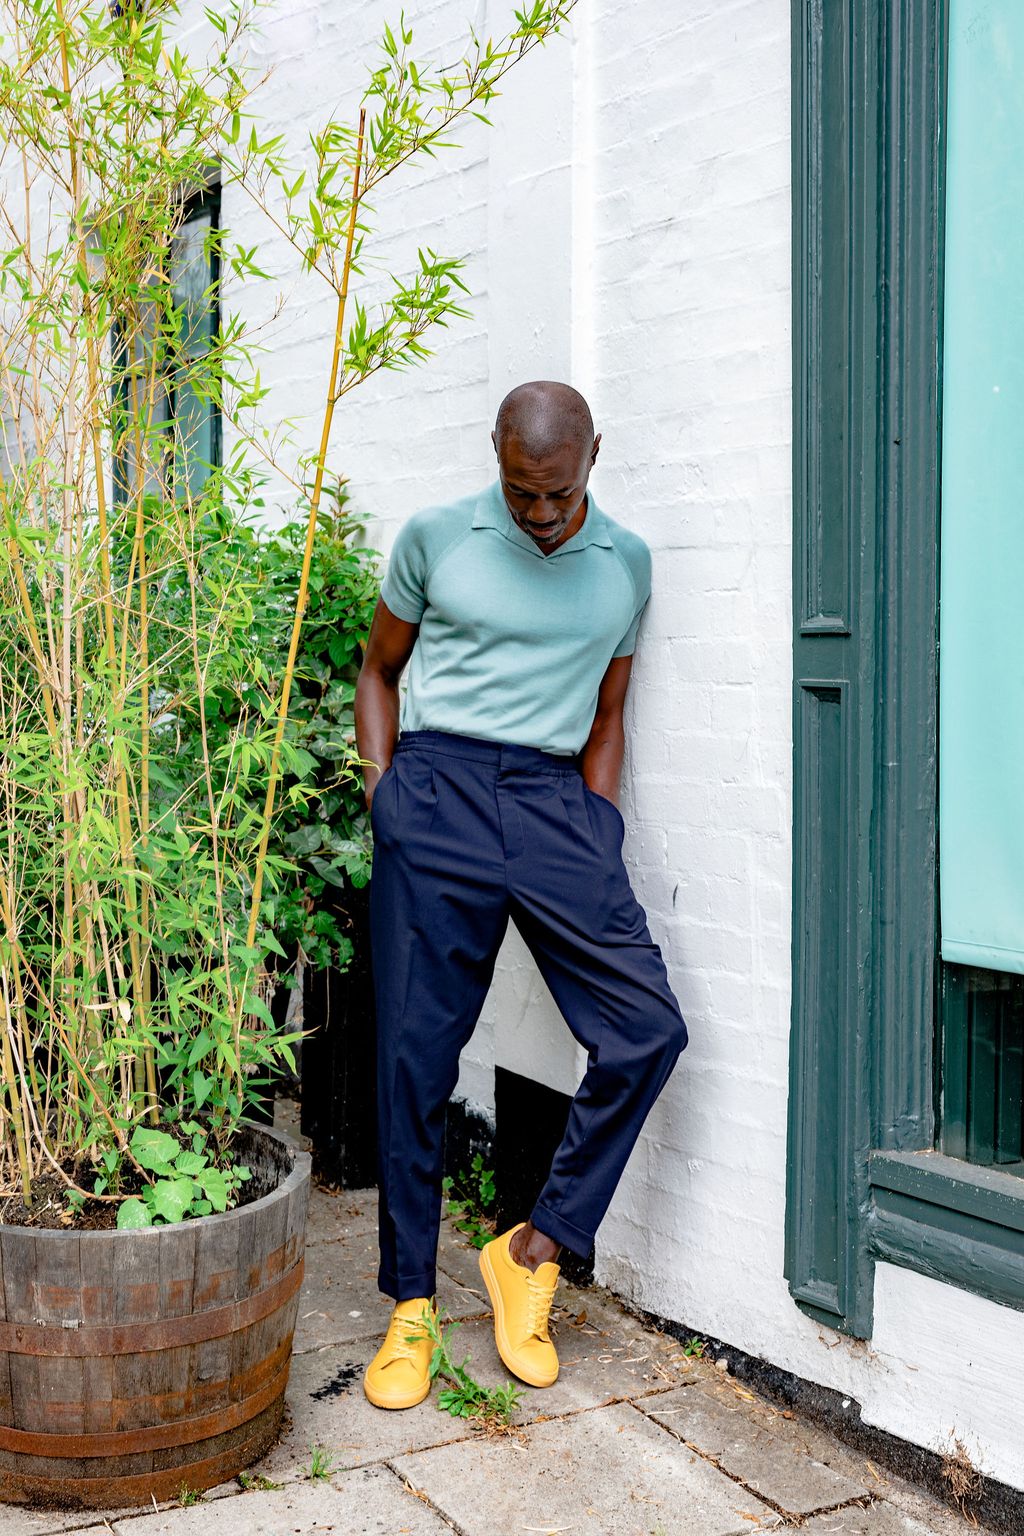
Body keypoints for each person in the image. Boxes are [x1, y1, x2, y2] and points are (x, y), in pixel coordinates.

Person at [354, 380, 687, 1410]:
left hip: (553, 803)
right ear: (494, 456)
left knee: (645, 1029)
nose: (539, 515)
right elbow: (377, 671)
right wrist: (388, 800)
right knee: (415, 1057)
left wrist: (599, 825)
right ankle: (410, 1305)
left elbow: (608, 709)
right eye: (520, 493)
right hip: (438, 793)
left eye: (557, 493)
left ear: (594, 458)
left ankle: (534, 1248)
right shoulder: (436, 539)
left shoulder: (624, 563)